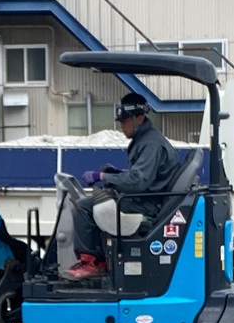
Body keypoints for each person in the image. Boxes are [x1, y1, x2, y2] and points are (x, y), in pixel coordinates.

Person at [66, 92, 182, 280]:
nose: (121, 126)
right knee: (95, 203)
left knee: (83, 207)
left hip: (145, 204)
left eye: (125, 121)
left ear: (139, 117)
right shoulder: (146, 140)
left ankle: (92, 263)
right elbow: (145, 176)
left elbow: (138, 182)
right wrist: (117, 174)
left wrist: (102, 176)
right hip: (145, 199)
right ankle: (100, 259)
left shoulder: (150, 145)